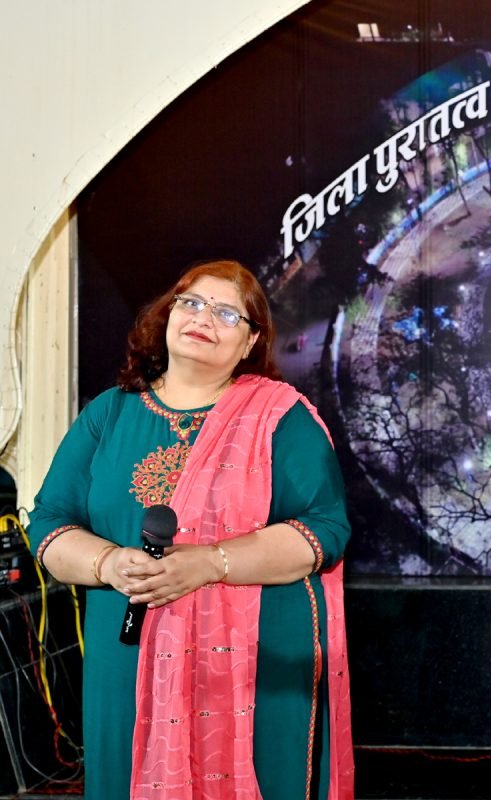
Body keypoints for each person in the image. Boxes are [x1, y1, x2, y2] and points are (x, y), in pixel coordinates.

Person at [27, 260, 354, 799]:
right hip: (127, 656)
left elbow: (324, 529)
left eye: (227, 314)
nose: (204, 318)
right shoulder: (110, 414)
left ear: (250, 342)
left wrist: (211, 562)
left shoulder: (280, 418)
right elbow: (48, 522)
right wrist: (108, 563)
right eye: (192, 303)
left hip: (254, 666)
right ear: (169, 314)